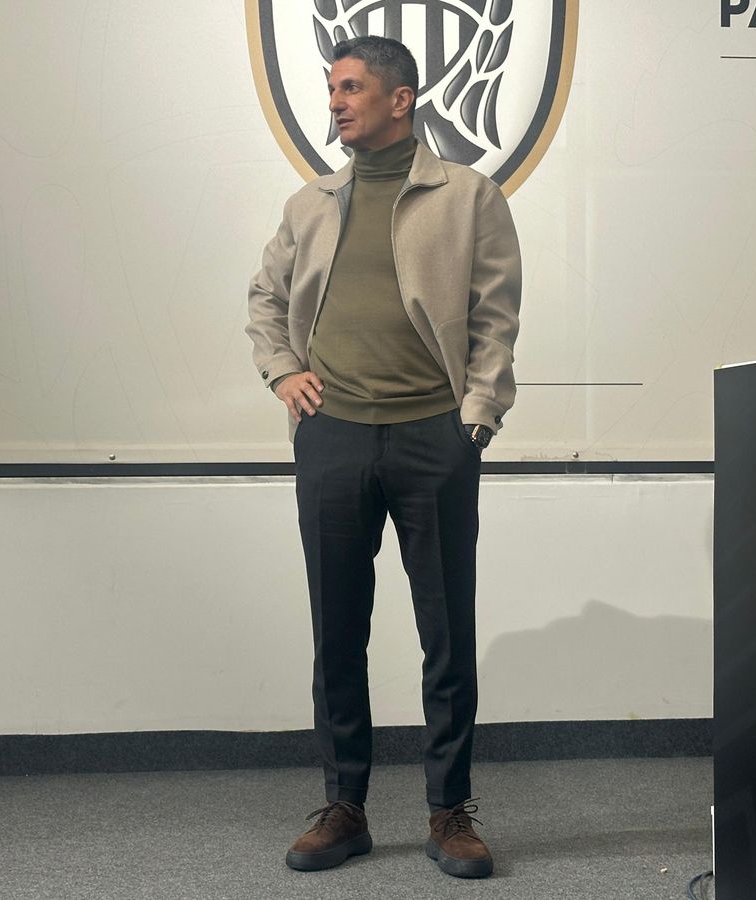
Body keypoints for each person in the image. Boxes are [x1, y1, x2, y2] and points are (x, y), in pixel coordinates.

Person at [245, 35, 522, 880]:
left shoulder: (468, 196)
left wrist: (475, 418)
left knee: (446, 632)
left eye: (351, 88)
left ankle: (449, 812)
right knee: (337, 630)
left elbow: (495, 316)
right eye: (333, 88)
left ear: (400, 100)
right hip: (332, 437)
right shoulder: (311, 203)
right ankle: (345, 808)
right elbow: (264, 300)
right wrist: (283, 371)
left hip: (434, 436)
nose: (335, 101)